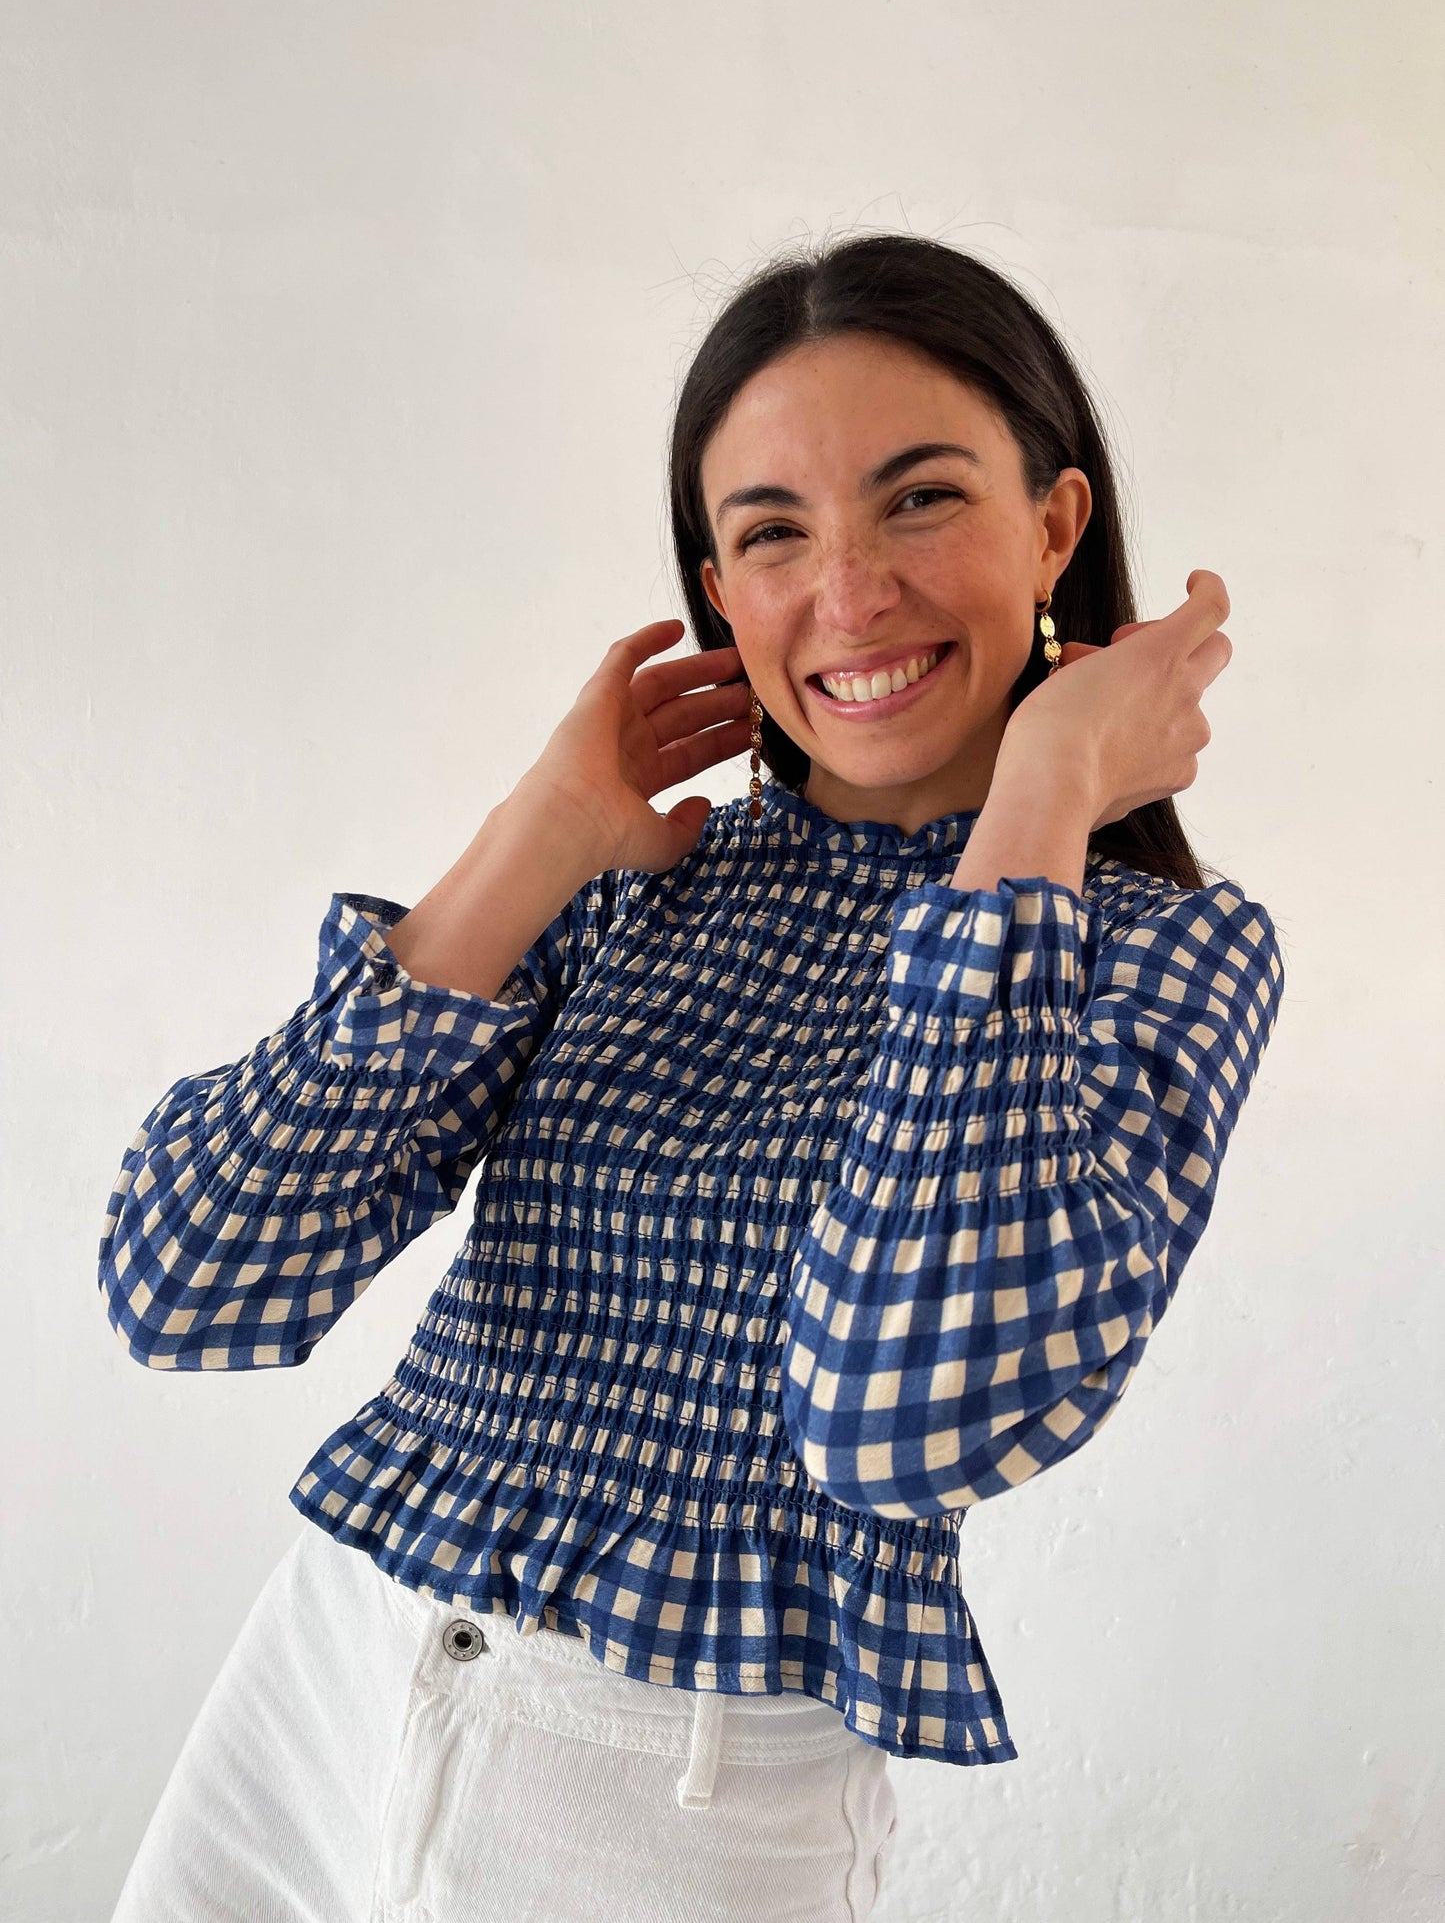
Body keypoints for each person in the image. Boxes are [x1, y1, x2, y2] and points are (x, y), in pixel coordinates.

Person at [98, 231, 1285, 1922]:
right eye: (772, 535)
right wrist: (529, 845)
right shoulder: (636, 883)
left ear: (1056, 529)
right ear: (715, 595)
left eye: (921, 500)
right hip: (324, 1670)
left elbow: (897, 1419)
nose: (849, 591)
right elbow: (185, 1286)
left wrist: (1045, 799)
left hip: (669, 1783)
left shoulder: (1159, 952)